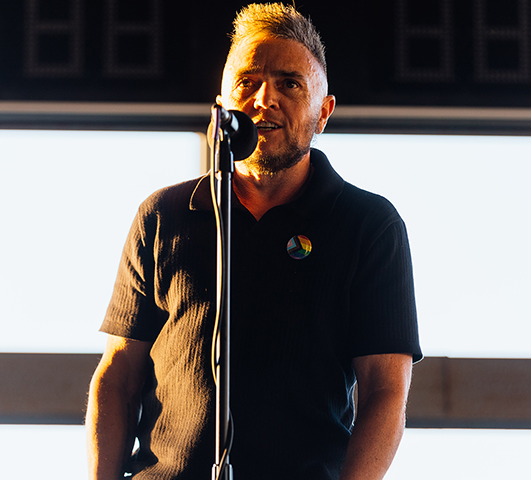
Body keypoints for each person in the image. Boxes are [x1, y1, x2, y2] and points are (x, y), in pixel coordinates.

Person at [86, 3, 422, 480]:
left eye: (290, 83)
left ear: (323, 112)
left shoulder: (368, 225)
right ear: (222, 106)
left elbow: (385, 390)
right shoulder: (163, 215)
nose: (266, 98)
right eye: (247, 82)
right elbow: (118, 376)